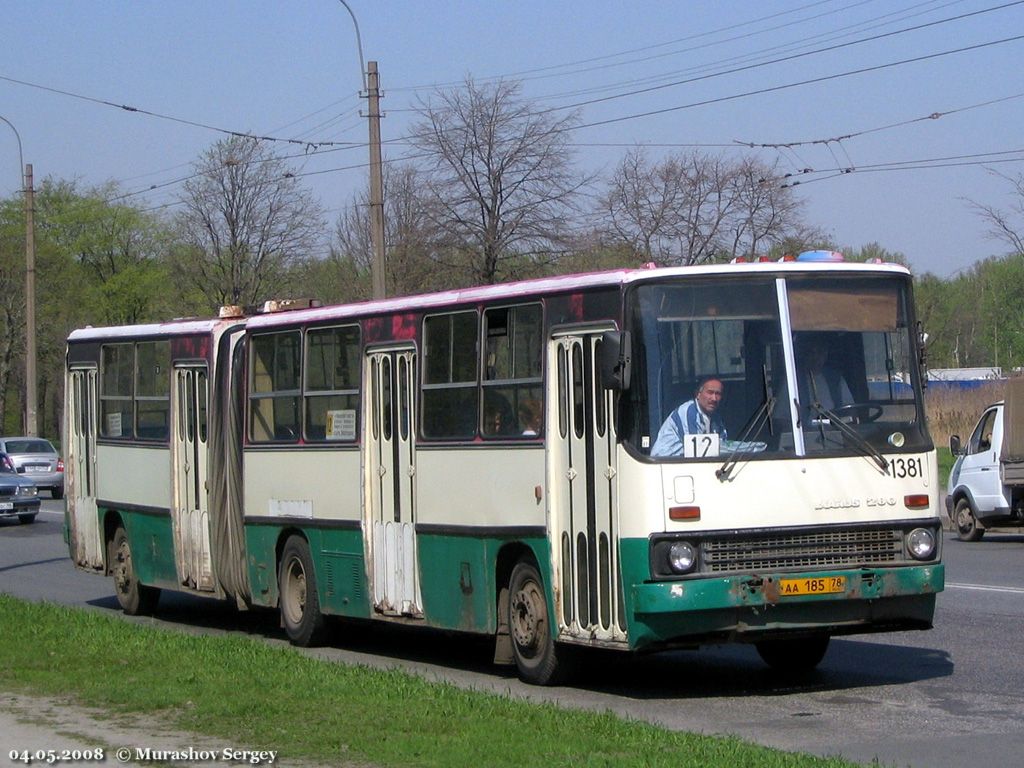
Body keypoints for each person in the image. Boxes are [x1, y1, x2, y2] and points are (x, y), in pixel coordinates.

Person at [651, 377, 728, 457]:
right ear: (697, 394)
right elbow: (697, 451)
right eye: (710, 393)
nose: (714, 398)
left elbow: (723, 444)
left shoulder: (715, 417)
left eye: (718, 394)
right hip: (665, 463)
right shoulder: (688, 412)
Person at [796, 335, 852, 414]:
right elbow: (782, 420)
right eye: (811, 352)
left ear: (826, 354)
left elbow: (851, 412)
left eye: (820, 352)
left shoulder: (837, 380)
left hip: (837, 426)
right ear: (804, 354)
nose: (816, 357)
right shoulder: (793, 382)